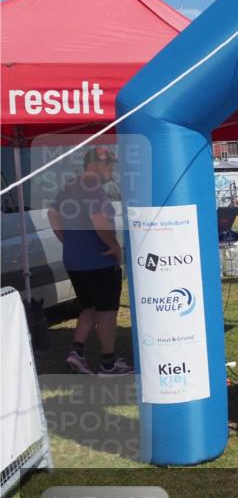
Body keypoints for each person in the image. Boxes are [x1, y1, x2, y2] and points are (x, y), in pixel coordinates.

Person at [48, 146, 133, 376]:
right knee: (106, 311)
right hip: (98, 261)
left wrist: (68, 240)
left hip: (75, 260)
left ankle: (77, 353)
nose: (111, 168)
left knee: (89, 307)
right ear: (92, 165)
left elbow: (52, 214)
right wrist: (114, 245)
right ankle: (108, 364)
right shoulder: (93, 187)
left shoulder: (70, 185)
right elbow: (98, 220)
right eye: (107, 164)